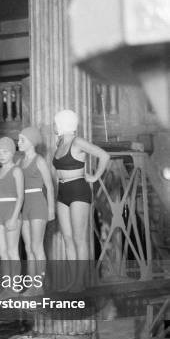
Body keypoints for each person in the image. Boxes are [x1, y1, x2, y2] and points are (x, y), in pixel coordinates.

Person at [53, 109, 110, 260]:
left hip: (78, 191)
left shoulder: (77, 141)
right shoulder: (59, 142)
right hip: (62, 191)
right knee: (67, 239)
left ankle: (80, 282)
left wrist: (95, 177)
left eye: (55, 122)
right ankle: (73, 282)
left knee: (79, 240)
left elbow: (104, 155)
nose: (53, 125)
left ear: (61, 123)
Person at [17, 126, 55, 273]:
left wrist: (51, 210)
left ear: (31, 142)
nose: (18, 143)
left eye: (22, 140)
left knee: (36, 246)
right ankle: (32, 285)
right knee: (28, 248)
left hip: (38, 204)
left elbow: (50, 187)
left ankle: (39, 285)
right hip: (25, 206)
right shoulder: (20, 162)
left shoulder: (39, 160)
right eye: (19, 139)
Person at [0, 137, 24, 264]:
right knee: (2, 252)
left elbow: (20, 197)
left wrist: (14, 218)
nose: (1, 155)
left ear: (12, 152)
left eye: (5, 152)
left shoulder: (17, 170)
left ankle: (15, 284)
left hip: (11, 212)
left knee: (13, 252)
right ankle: (8, 284)